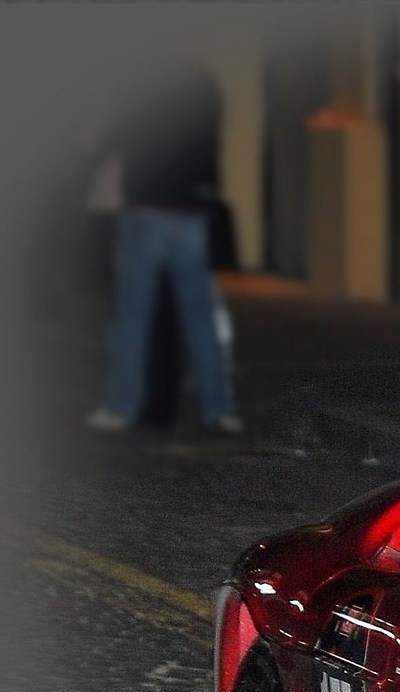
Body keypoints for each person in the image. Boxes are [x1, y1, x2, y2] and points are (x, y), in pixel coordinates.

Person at [87, 62, 240, 435]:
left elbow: (114, 136)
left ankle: (121, 406)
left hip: (146, 205)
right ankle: (217, 408)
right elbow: (214, 141)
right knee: (200, 318)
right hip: (190, 209)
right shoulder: (203, 82)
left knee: (133, 317)